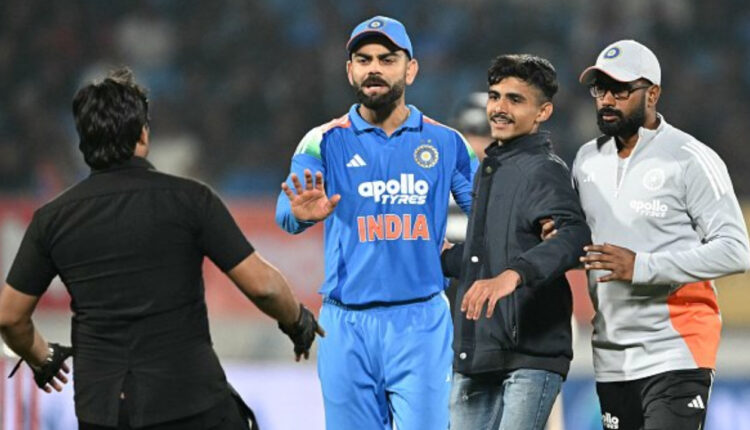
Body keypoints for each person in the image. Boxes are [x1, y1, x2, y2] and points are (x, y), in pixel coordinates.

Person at [0, 68, 323, 430]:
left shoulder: (51, 220)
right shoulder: (190, 200)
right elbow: (263, 286)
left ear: (83, 143)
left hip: (104, 411)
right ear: (142, 134)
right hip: (191, 402)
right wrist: (297, 320)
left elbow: (10, 318)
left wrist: (41, 357)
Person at [275, 15, 477, 430]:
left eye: (387, 59)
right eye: (364, 59)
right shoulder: (323, 140)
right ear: (350, 70)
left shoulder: (447, 142)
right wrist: (299, 213)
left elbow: (489, 212)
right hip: (346, 325)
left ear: (411, 69)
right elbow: (285, 213)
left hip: (421, 322)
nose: (374, 69)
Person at [572, 39, 750, 430]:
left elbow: (736, 250)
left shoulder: (689, 158)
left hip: (676, 350)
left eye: (620, 90)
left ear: (652, 94)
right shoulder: (586, 160)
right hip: (612, 356)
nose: (607, 100)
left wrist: (642, 266)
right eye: (600, 89)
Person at [441, 54, 591, 430]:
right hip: (478, 345)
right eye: (495, 97)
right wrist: (443, 258)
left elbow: (573, 236)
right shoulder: (488, 174)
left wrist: (514, 274)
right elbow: (490, 252)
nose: (500, 108)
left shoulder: (544, 170)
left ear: (543, 111)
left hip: (528, 348)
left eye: (515, 99)